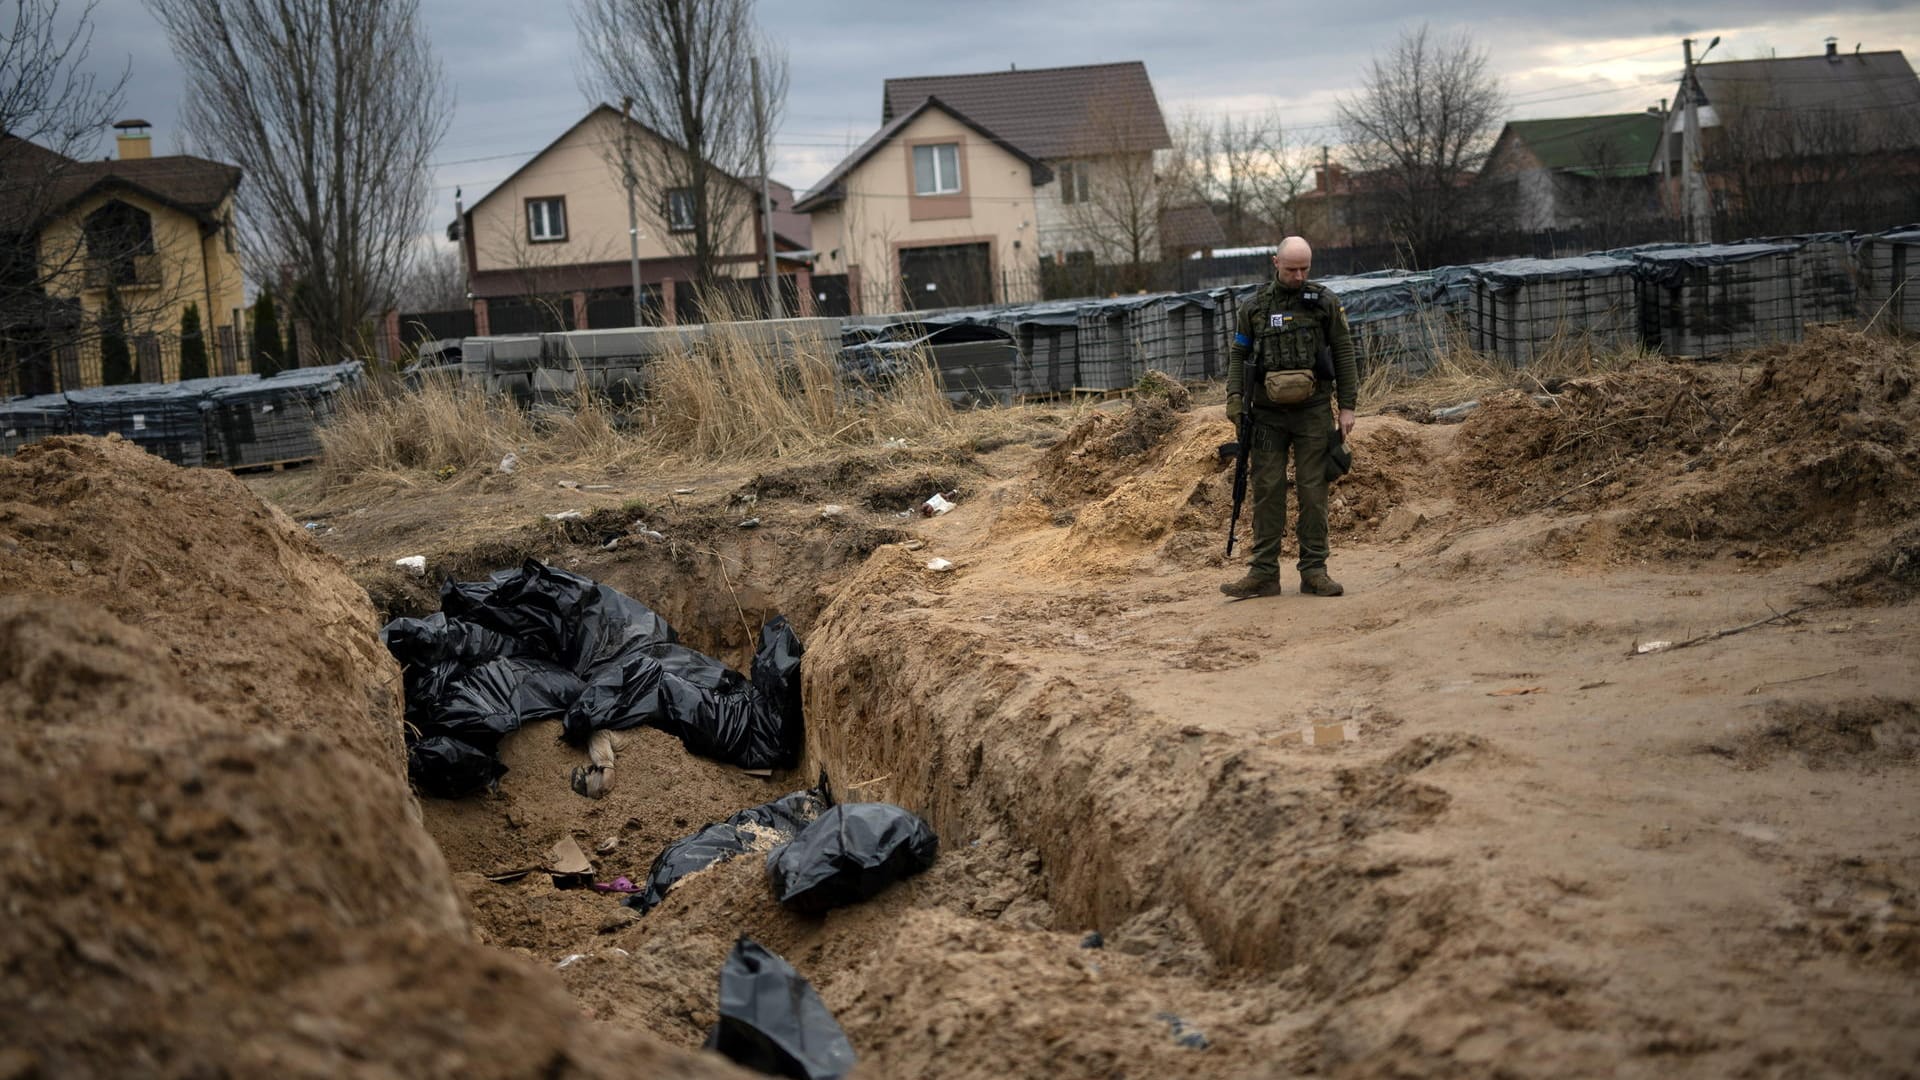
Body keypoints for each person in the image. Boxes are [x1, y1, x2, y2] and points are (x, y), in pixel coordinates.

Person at [1221, 236, 1358, 599]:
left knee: (1314, 493)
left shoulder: (1324, 303)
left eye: (1305, 269)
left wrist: (1347, 406)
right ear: (1275, 263)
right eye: (1292, 268)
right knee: (1267, 490)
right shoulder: (1253, 308)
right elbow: (1239, 355)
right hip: (1266, 415)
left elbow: (1344, 352)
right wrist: (1235, 401)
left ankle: (1314, 570)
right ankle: (1264, 573)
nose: (1299, 276)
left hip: (1313, 412)